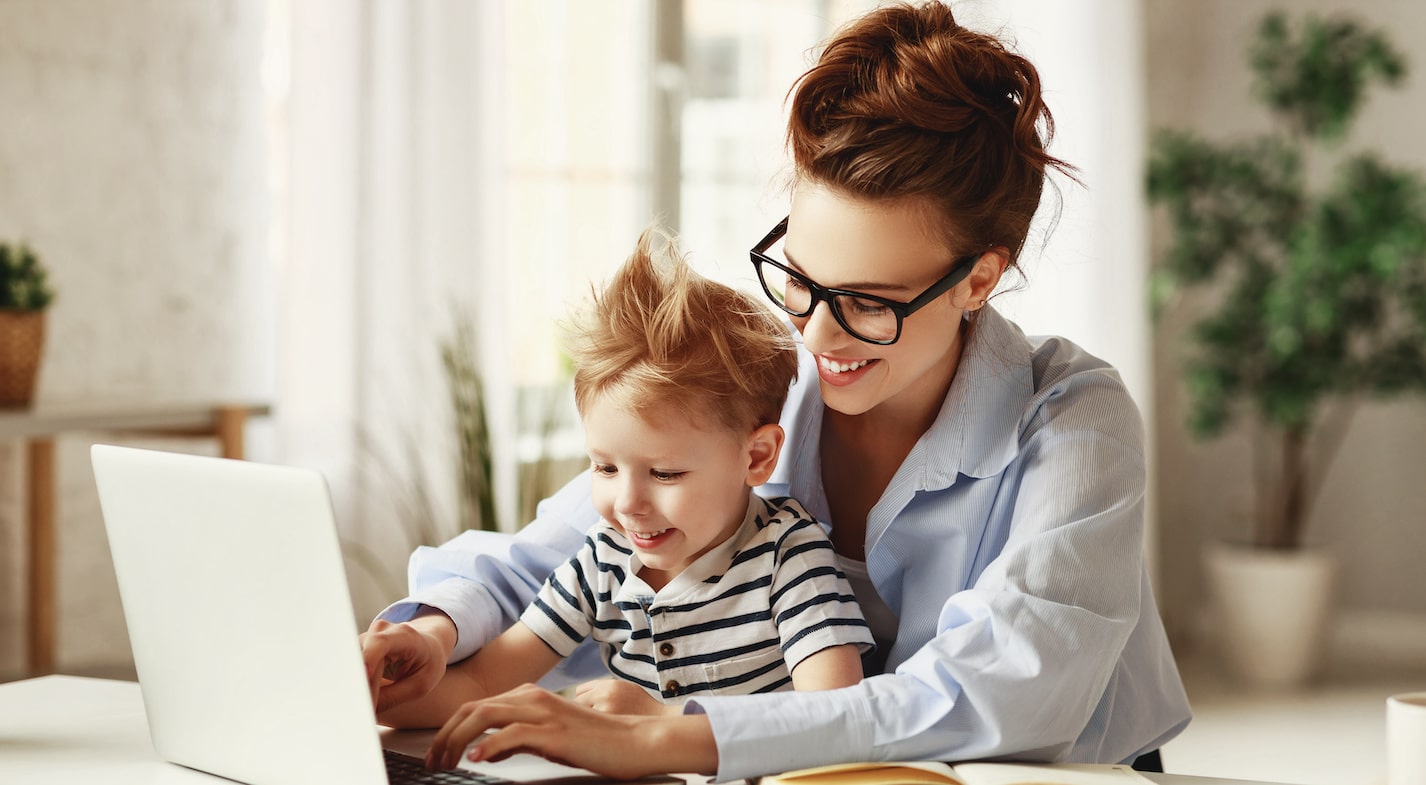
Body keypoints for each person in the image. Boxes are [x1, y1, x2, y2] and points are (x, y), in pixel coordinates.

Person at [361, 1, 1192, 780]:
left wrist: (669, 729)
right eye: (799, 278)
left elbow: (998, 692)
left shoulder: (1076, 420)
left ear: (978, 279)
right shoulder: (753, 384)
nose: (817, 337)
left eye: (869, 302)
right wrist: (431, 631)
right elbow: (546, 558)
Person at [369, 230, 873, 746]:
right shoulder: (603, 561)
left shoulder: (789, 556)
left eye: (664, 474)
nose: (627, 505)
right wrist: (367, 694)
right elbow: (478, 682)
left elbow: (835, 717)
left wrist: (665, 720)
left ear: (757, 457)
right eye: (605, 468)